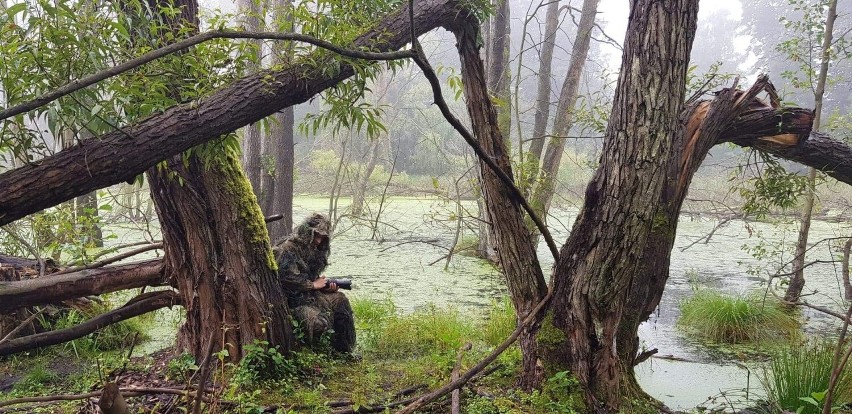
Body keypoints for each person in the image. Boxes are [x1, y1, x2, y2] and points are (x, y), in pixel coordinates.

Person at [273, 213, 356, 353]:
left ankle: (344, 351)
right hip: (293, 302)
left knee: (341, 300)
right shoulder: (287, 249)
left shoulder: (313, 251)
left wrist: (325, 287)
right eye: (316, 236)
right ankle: (314, 355)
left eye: (323, 238)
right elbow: (286, 280)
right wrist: (313, 285)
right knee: (318, 324)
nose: (318, 241)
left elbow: (312, 277)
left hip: (311, 295)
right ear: (307, 232)